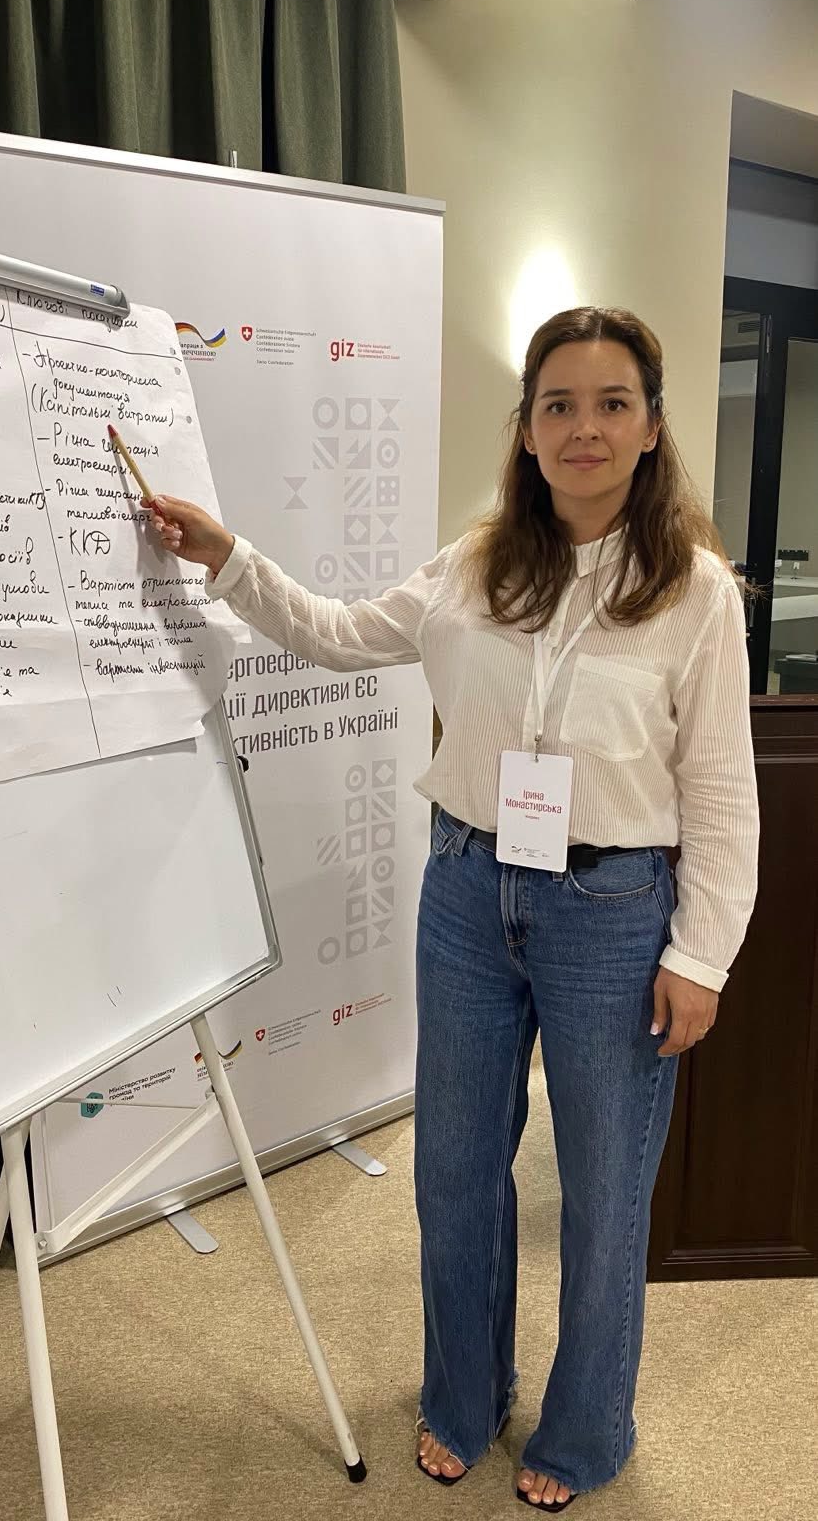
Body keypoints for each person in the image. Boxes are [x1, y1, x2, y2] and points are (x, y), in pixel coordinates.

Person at [144, 307, 759, 1512]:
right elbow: (336, 634)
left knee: (604, 1192)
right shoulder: (477, 563)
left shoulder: (696, 592)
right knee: (457, 1172)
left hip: (613, 909)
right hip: (469, 894)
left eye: (613, 403)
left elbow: (721, 788)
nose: (584, 428)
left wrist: (703, 954)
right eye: (559, 405)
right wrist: (228, 558)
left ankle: (586, 1430)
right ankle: (464, 1396)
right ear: (527, 429)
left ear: (651, 427)